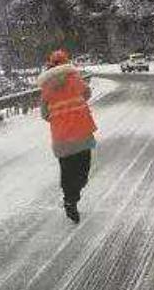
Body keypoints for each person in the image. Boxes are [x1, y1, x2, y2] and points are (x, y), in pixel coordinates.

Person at [36, 49, 97, 223]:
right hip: (81, 134)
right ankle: (74, 196)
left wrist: (60, 120)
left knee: (67, 171)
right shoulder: (74, 78)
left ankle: (69, 200)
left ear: (50, 64)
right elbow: (87, 94)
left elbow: (44, 114)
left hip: (62, 138)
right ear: (66, 62)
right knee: (82, 171)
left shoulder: (46, 87)